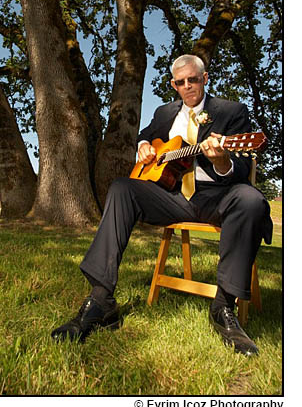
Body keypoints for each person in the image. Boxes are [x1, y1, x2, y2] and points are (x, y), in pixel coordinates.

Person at [51, 54, 273, 356]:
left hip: (217, 197)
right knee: (122, 188)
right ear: (173, 85)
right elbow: (146, 137)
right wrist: (143, 147)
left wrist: (221, 159)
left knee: (252, 199)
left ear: (204, 79)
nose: (187, 86)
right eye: (180, 82)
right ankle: (101, 300)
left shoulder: (232, 111)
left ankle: (224, 307)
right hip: (173, 197)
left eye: (192, 80)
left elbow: (242, 169)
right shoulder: (164, 112)